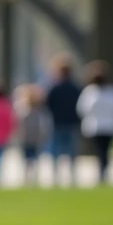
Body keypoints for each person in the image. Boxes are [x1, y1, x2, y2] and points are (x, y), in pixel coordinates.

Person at [76, 60, 113, 184]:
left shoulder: (90, 92)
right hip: (103, 125)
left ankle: (103, 170)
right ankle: (103, 170)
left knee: (102, 150)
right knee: (102, 150)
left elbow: (82, 109)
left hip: (98, 125)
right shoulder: (111, 92)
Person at [44, 53, 82, 186]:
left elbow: (47, 104)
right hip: (71, 121)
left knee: (56, 149)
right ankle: (72, 175)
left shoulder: (54, 88)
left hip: (57, 121)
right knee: (71, 150)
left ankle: (56, 175)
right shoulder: (75, 88)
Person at [14, 84, 51, 186]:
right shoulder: (36, 111)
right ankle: (30, 178)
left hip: (29, 138)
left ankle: (29, 178)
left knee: (28, 159)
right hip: (33, 138)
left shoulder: (26, 111)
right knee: (32, 159)